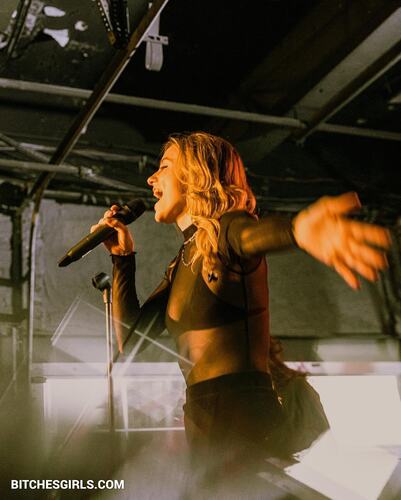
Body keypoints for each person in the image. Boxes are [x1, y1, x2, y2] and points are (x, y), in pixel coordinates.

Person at [92, 131, 391, 488]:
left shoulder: (227, 232)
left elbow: (251, 236)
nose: (151, 179)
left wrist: (297, 230)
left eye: (165, 167)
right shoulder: (182, 261)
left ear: (198, 174)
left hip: (246, 423)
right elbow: (131, 342)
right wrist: (122, 259)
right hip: (204, 424)